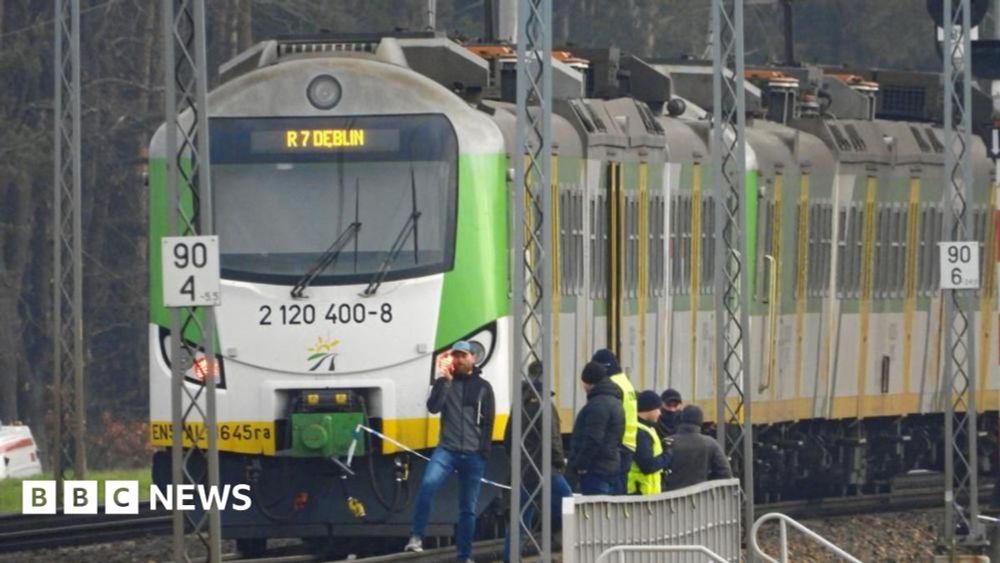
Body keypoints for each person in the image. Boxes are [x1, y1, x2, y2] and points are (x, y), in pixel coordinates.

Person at [405, 341, 495, 562]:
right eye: (456, 355)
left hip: (473, 454)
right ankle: (416, 537)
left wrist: (483, 452)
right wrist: (444, 381)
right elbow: (433, 407)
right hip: (447, 449)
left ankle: (464, 556)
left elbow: (489, 422)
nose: (459, 359)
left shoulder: (484, 387)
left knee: (468, 508)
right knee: (427, 486)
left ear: (473, 358)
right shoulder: (444, 382)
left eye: (464, 355)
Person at [502, 361, 572, 562]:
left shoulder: (519, 404)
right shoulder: (545, 404)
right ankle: (571, 551)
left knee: (520, 518)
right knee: (570, 504)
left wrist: (519, 461)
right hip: (546, 468)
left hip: (524, 470)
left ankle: (510, 558)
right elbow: (553, 438)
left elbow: (508, 438)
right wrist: (559, 463)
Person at [566, 362, 625, 495]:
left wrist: (580, 465)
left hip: (596, 470)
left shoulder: (597, 405)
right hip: (611, 466)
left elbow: (593, 439)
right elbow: (619, 436)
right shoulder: (616, 402)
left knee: (594, 505)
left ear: (587, 382)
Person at [591, 349, 637, 494]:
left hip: (618, 445)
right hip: (629, 443)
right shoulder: (625, 382)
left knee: (613, 491)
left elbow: (611, 415)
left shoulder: (612, 385)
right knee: (620, 489)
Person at [663, 405, 732, 491]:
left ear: (682, 419)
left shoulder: (668, 442)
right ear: (700, 421)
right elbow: (725, 473)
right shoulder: (711, 443)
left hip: (671, 496)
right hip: (702, 496)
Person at [627, 391, 673, 495]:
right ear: (649, 409)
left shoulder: (647, 428)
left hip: (646, 492)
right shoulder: (641, 433)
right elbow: (648, 466)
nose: (660, 413)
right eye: (658, 409)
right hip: (640, 493)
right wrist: (668, 454)